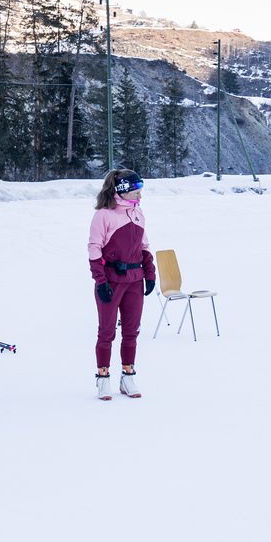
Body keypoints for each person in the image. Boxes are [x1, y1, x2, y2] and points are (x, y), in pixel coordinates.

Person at [88, 169, 154, 399]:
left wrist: (150, 273)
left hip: (135, 281)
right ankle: (103, 379)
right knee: (106, 332)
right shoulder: (104, 215)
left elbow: (144, 247)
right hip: (111, 281)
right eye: (137, 191)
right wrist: (100, 280)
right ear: (124, 190)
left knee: (131, 332)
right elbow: (94, 248)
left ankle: (127, 378)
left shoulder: (138, 213)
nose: (140, 195)